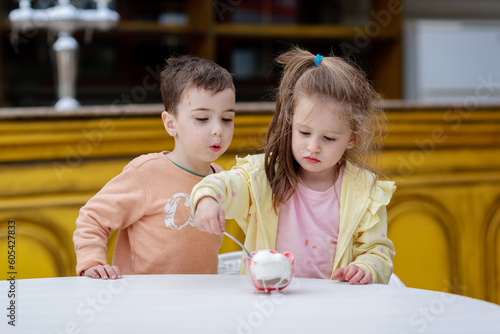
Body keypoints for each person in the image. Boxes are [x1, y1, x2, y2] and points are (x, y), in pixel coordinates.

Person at [191, 47, 396, 284]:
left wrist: (366, 268)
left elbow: (378, 252)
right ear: (290, 123)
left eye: (328, 138)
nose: (313, 147)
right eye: (304, 132)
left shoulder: (364, 191)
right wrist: (207, 198)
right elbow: (225, 184)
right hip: (269, 304)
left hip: (334, 310)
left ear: (352, 138)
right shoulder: (263, 175)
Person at [73, 55, 235, 279]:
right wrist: (92, 262)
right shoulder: (145, 173)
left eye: (227, 119)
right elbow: (93, 218)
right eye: (202, 118)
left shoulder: (223, 180)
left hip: (198, 305)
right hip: (143, 303)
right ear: (171, 124)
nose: (218, 129)